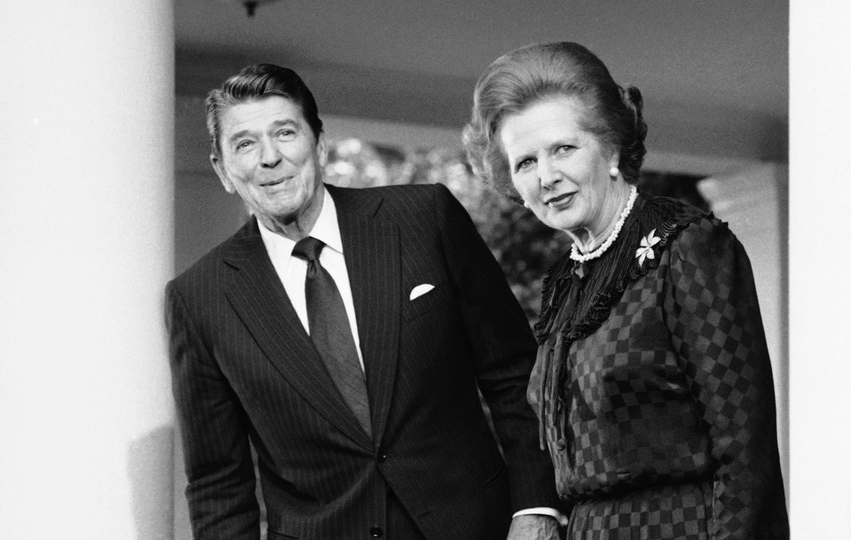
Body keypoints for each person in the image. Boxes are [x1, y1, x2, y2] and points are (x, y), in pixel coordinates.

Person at [165, 63, 568, 539]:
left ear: (318, 144)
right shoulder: (200, 298)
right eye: (245, 144)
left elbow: (514, 375)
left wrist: (536, 507)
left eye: (285, 133)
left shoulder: (424, 219)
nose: (269, 157)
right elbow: (217, 482)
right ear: (224, 171)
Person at [463, 42, 789, 538]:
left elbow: (747, 454)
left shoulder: (690, 247)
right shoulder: (566, 284)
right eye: (525, 162)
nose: (547, 176)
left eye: (563, 149)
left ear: (611, 147)